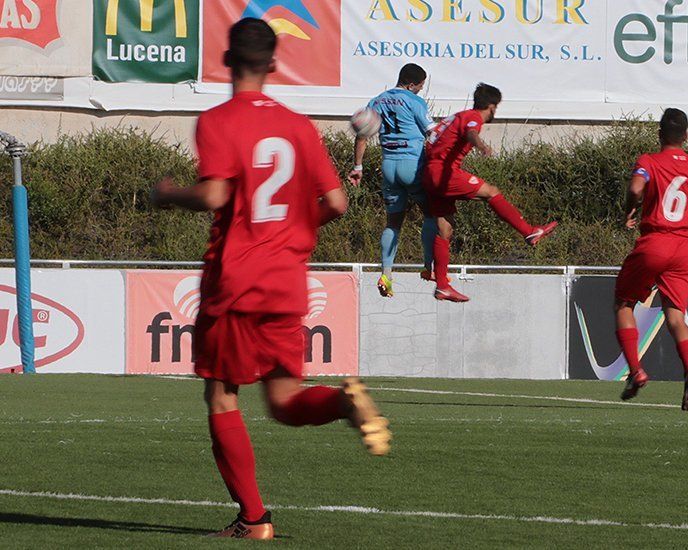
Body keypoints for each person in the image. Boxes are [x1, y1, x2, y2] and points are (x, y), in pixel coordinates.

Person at [151, 18, 391, 540]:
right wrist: (293, 227)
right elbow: (337, 204)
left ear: (227, 61)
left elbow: (215, 195)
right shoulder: (299, 125)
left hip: (236, 279)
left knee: (222, 395)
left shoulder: (217, 120)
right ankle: (344, 402)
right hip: (287, 279)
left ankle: (254, 519)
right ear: (275, 64)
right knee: (284, 402)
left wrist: (167, 195)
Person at [614, 108, 688, 411]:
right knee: (676, 316)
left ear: (659, 134)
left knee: (624, 304)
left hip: (655, 241)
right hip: (683, 248)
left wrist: (630, 209)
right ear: (686, 135)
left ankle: (636, 370)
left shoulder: (649, 161)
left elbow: (636, 188)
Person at [422, 83, 558, 302]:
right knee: (491, 192)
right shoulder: (472, 117)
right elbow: (471, 132)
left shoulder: (456, 116)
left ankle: (442, 286)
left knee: (445, 229)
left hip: (429, 175)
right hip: (443, 172)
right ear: (493, 107)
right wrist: (482, 146)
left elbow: (432, 138)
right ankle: (529, 231)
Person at [348, 63, 438, 298]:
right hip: (413, 164)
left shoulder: (377, 101)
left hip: (389, 166)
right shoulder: (415, 101)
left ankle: (386, 273)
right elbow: (433, 132)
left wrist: (358, 166)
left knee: (393, 223)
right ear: (411, 84)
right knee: (430, 214)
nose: (420, 91)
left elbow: (362, 136)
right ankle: (429, 267)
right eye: (419, 86)